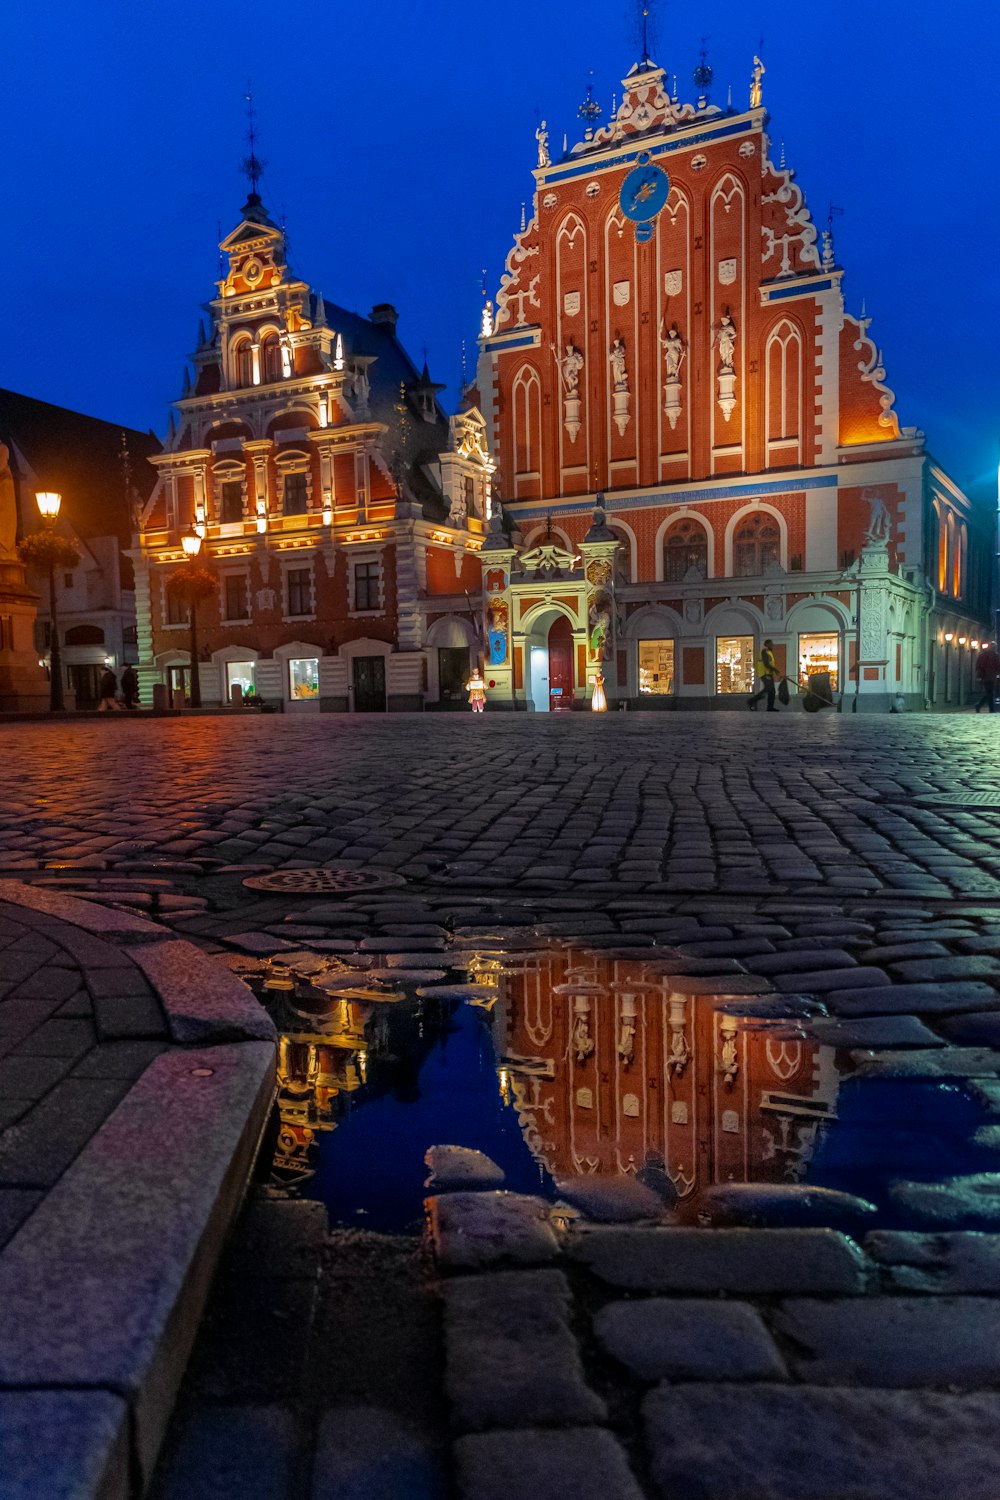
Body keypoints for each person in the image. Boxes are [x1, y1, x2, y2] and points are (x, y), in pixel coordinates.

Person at [748, 639, 779, 712]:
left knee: (772, 691)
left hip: (768, 673)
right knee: (768, 689)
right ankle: (752, 700)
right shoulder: (764, 652)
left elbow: (769, 663)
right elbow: (766, 663)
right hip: (765, 674)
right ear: (767, 644)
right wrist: (775, 670)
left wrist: (773, 670)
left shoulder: (769, 652)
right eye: (771, 644)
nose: (773, 645)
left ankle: (770, 707)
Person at [975, 642, 1000, 714]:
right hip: (990, 677)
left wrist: (979, 676)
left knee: (989, 693)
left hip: (986, 677)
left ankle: (982, 706)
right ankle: (987, 708)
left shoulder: (983, 655)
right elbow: (998, 666)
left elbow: (978, 667)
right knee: (990, 693)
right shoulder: (995, 655)